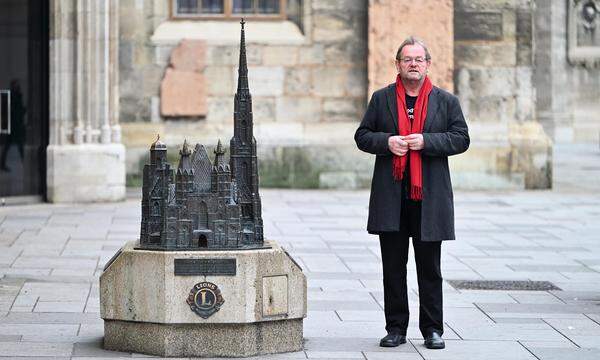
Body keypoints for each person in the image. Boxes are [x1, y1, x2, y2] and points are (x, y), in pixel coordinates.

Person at [354, 36, 469, 349]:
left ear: (428, 64)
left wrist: (427, 142)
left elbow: (461, 139)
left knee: (429, 268)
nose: (413, 64)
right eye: (408, 59)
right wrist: (387, 142)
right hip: (391, 198)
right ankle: (396, 329)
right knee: (393, 268)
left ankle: (433, 330)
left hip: (429, 198)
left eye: (419, 59)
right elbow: (362, 136)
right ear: (398, 64)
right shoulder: (381, 99)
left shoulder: (446, 101)